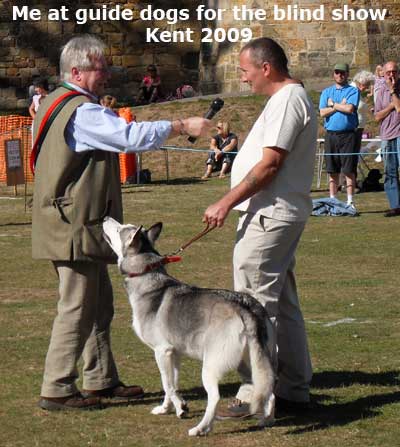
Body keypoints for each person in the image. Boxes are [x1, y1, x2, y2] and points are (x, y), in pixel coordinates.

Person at [32, 34, 210, 411]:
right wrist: (179, 124)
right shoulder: (81, 110)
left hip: (78, 221)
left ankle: (100, 380)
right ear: (77, 71)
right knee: (78, 307)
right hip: (75, 224)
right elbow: (129, 137)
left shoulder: (56, 102)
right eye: (101, 68)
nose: (108, 74)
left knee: (98, 305)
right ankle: (57, 387)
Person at [203, 37, 317, 418]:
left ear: (265, 67)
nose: (243, 78)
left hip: (270, 215)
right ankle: (294, 390)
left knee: (254, 307)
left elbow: (270, 165)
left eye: (245, 70)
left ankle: (255, 392)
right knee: (283, 305)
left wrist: (225, 201)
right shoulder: (286, 100)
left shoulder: (288, 100)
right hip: (275, 213)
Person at [319, 63, 360, 210]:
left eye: (343, 73)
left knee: (349, 169)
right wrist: (338, 106)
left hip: (348, 135)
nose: (340, 75)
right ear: (333, 74)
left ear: (347, 74)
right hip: (331, 135)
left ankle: (350, 201)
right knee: (332, 169)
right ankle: (332, 201)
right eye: (337, 72)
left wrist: (333, 105)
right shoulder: (326, 92)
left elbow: (349, 108)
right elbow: (322, 112)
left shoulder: (352, 91)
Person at [374, 61, 400, 217]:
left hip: (399, 133)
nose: (391, 75)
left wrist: (392, 91)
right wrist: (390, 105)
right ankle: (395, 206)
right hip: (386, 135)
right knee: (389, 173)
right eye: (388, 72)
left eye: (394, 72)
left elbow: (399, 108)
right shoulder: (379, 90)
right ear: (383, 73)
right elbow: (377, 116)